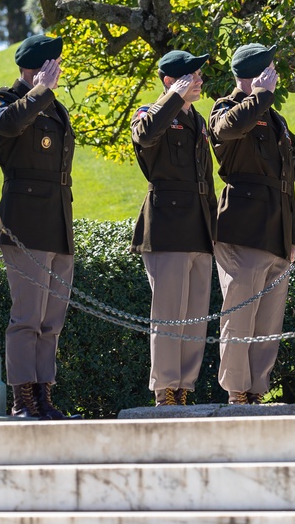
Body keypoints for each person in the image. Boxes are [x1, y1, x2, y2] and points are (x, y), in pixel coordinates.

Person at [0, 34, 76, 419]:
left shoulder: (51, 105)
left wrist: (44, 95)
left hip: (57, 224)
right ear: (37, 67)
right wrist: (39, 92)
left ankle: (43, 394)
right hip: (26, 225)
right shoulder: (6, 100)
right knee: (28, 320)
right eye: (52, 63)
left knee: (51, 320)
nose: (58, 70)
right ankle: (23, 397)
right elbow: (5, 127)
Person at [209, 43, 295, 405]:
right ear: (259, 73)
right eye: (271, 68)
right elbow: (229, 129)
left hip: (275, 231)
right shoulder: (226, 107)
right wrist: (260, 95)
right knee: (240, 317)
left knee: (267, 324)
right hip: (242, 229)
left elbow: (286, 184)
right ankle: (236, 393)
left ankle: (256, 391)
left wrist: (290, 236)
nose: (276, 73)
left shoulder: (276, 119)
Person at [131, 50, 218, 406]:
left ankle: (184, 387)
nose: (198, 80)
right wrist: (173, 98)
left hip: (198, 227)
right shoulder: (149, 113)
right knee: (169, 315)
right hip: (167, 226)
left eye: (198, 74)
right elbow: (146, 136)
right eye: (190, 75)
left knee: (195, 317)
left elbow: (207, 180)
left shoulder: (197, 120)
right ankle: (165, 388)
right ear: (169, 80)